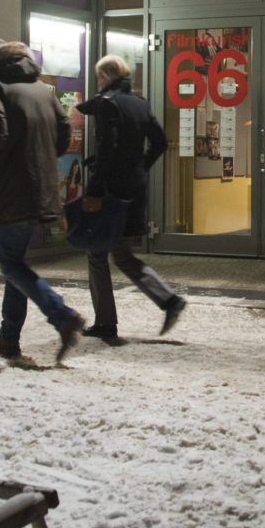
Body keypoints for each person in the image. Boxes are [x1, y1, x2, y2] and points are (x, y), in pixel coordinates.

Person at [0, 38, 86, 367]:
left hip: (9, 190)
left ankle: (62, 315)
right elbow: (64, 136)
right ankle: (9, 338)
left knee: (11, 265)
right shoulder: (41, 91)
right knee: (16, 265)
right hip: (39, 189)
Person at [76, 55, 187, 343]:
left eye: (99, 76)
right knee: (122, 254)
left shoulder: (107, 104)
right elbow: (160, 142)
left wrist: (94, 189)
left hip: (111, 189)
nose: (98, 81)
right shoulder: (140, 103)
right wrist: (139, 167)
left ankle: (106, 323)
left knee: (97, 254)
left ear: (105, 76)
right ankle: (168, 301)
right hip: (133, 186)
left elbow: (107, 150)